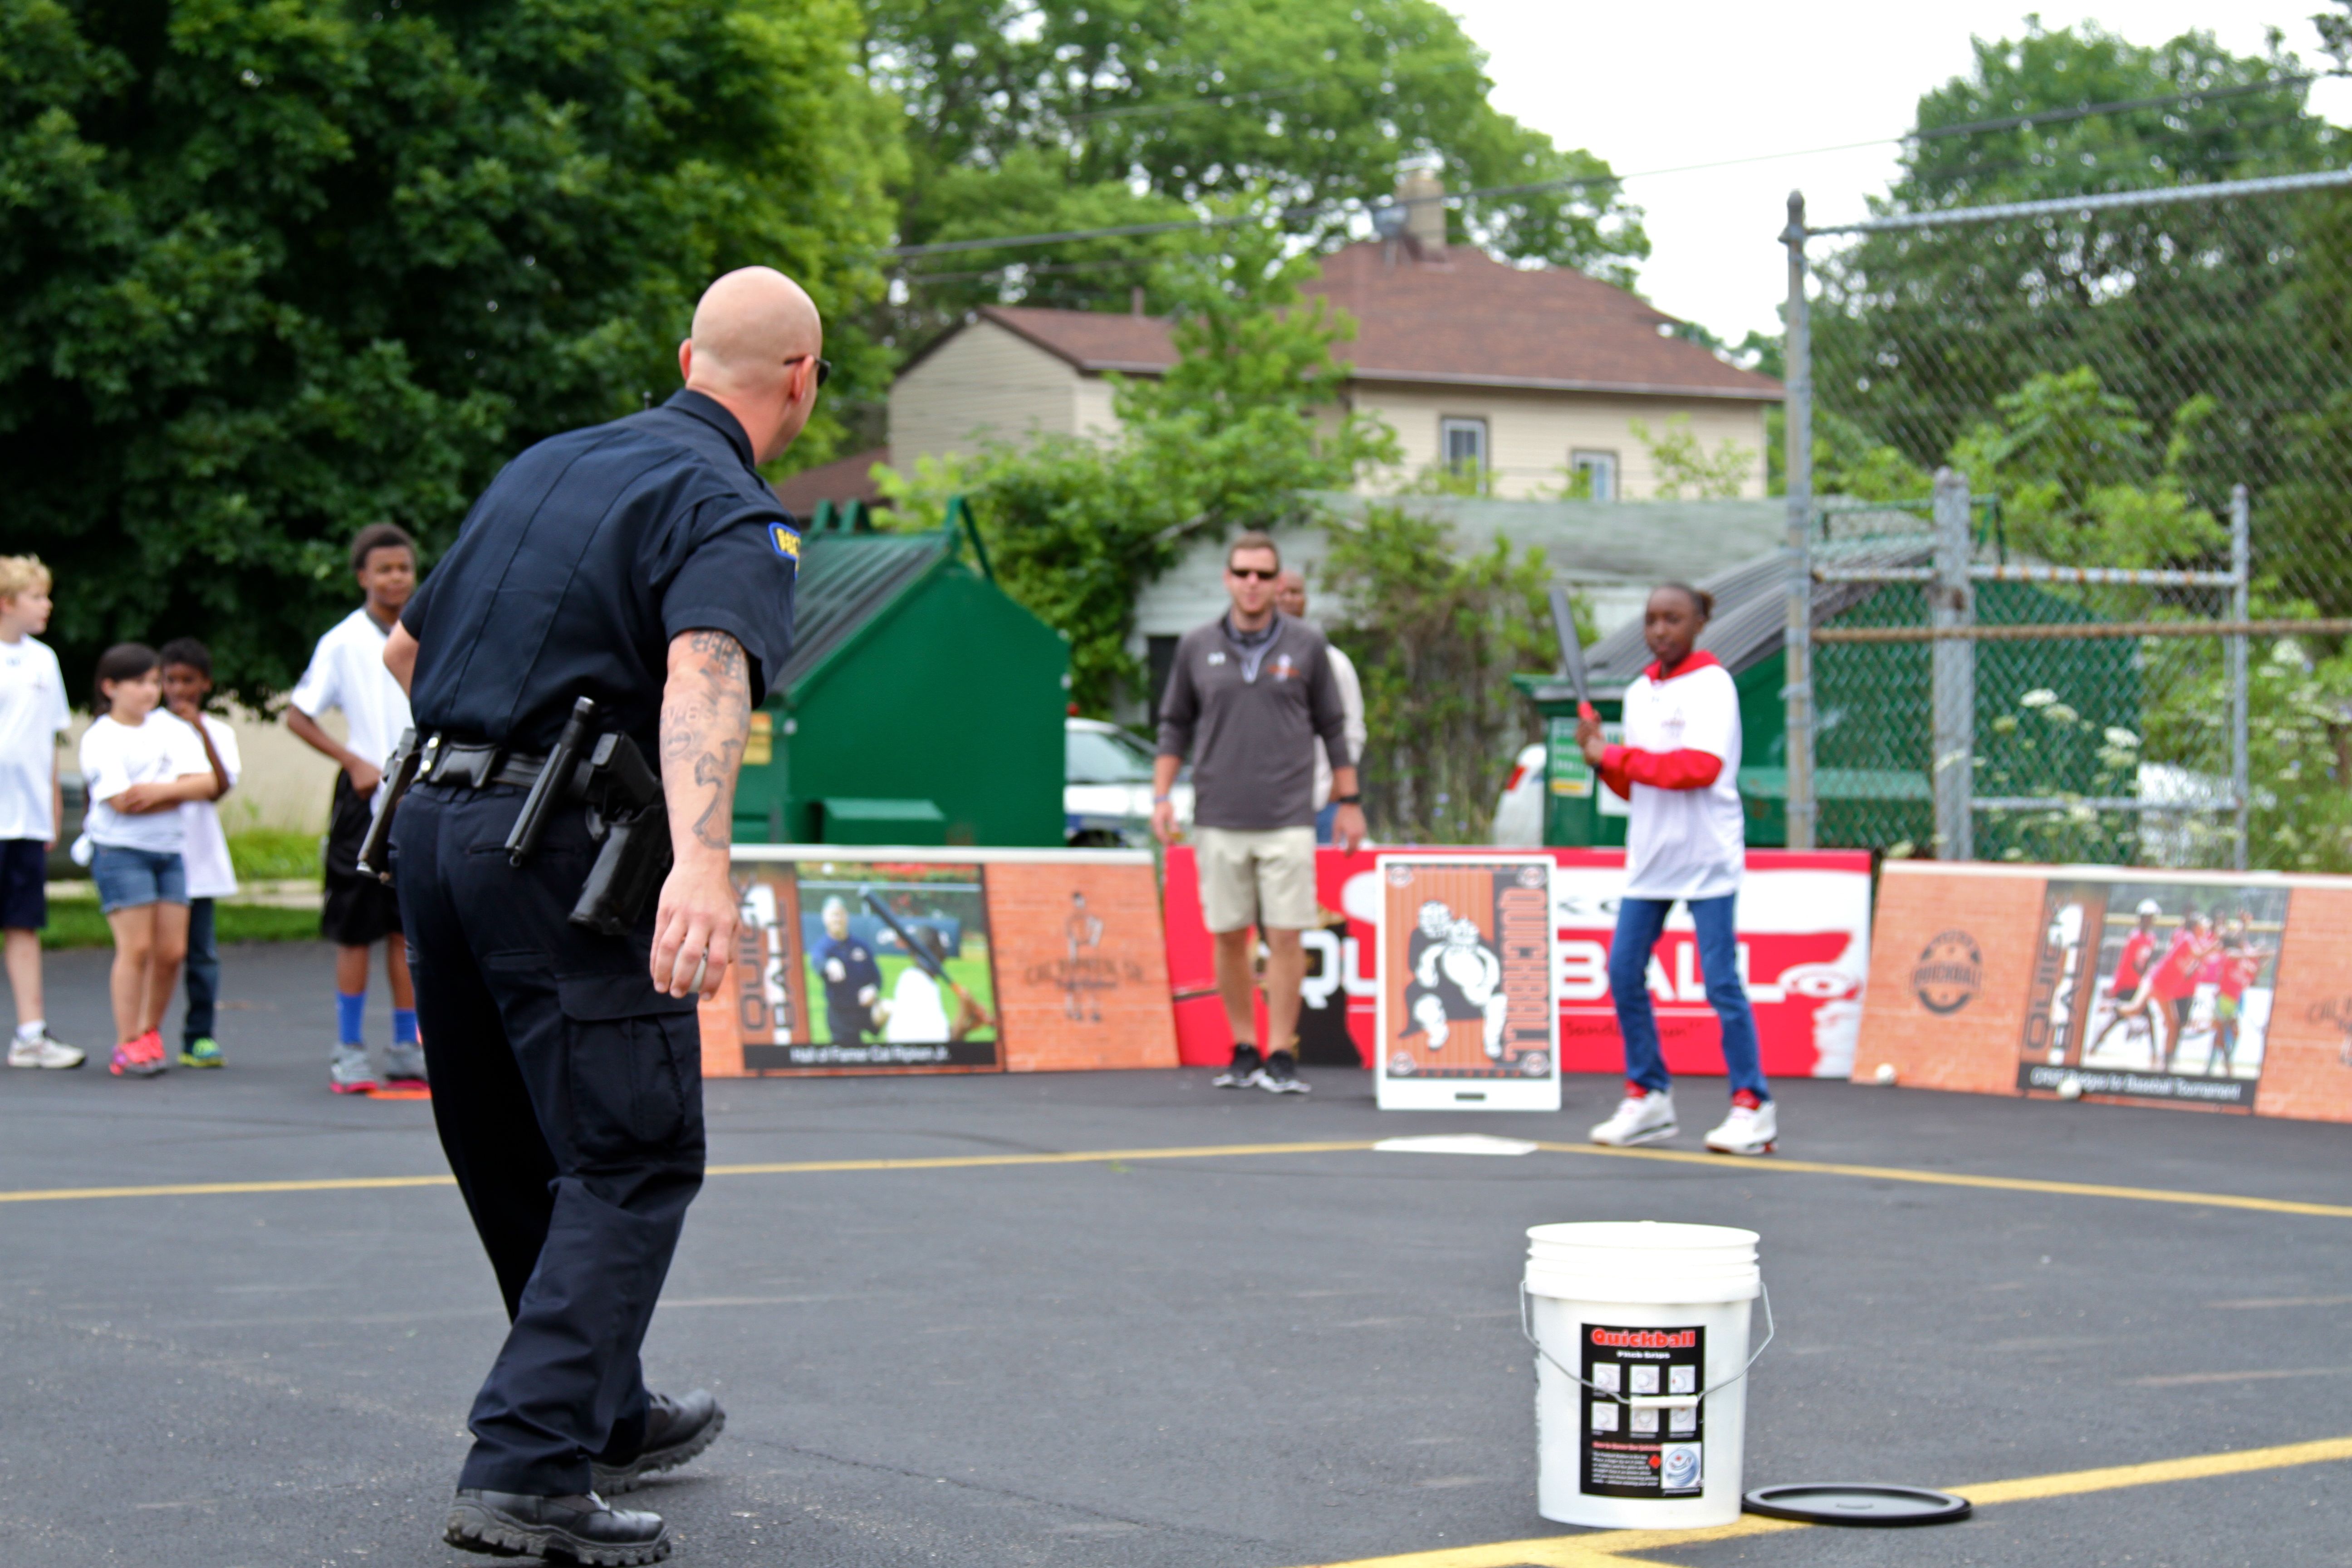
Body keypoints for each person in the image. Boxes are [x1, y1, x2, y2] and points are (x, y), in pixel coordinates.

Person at [384, 265, 813, 1562]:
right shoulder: (733, 507)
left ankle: (602, 1410)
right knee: (631, 1154)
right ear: (801, 379)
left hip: (434, 824)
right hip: (558, 849)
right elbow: (704, 667)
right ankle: (526, 1468)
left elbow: (412, 652)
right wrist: (700, 856)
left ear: (689, 355)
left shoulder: (545, 466)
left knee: (515, 1148)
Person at [1154, 532, 1365, 1095]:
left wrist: (1350, 802)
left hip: (1289, 816)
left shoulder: (1307, 645)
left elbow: (1334, 727)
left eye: (1263, 575)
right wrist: (1161, 796)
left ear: (1278, 584)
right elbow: (1174, 724)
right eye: (1243, 573)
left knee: (1288, 937)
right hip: (1219, 815)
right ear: (1228, 579)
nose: (1252, 584)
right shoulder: (1197, 646)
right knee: (1228, 936)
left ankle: (1281, 1053)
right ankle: (1244, 1046)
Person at [1580, 583, 1774, 1156]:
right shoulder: (1639, 691)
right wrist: (1600, 756)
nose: (1660, 630)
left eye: (1673, 619)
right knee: (1622, 974)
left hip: (1707, 858)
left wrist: (1614, 755)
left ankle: (1753, 1105)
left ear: (1698, 624)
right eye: (1652, 620)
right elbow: (1634, 781)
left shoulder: (1714, 685)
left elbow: (1699, 767)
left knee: (1720, 983)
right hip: (1652, 859)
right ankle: (1649, 1096)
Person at [288, 524, 422, 1093]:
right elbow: (299, 714)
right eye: (384, 569)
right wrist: (353, 761)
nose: (396, 578)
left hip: (418, 791)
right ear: (363, 577)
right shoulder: (343, 641)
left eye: (404, 568)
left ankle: (406, 1045)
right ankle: (348, 1047)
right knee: (354, 929)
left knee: (406, 930)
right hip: (366, 798)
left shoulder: (427, 630)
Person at [78, 644, 227, 1078]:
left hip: (169, 852)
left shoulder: (172, 730)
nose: (151, 691)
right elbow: (124, 802)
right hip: (121, 852)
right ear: (111, 687)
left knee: (171, 951)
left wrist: (160, 792)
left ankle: (148, 1033)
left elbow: (207, 783)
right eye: (139, 683)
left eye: (153, 682)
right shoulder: (101, 736)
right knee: (137, 947)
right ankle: (126, 1042)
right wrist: (177, 788)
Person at [0, 556, 82, 1069]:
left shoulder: (44, 661)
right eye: (36, 596)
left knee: (23, 925)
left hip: (25, 818)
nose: (47, 604)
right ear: (7, 602)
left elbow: (50, 743)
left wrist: (52, 808)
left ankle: (31, 1035)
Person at [159, 640, 239, 1068]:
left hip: (199, 862)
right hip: (156, 856)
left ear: (205, 685)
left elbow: (220, 786)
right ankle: (145, 1032)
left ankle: (199, 1036)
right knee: (155, 952)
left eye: (188, 681)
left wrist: (200, 731)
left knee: (201, 953)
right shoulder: (147, 726)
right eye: (170, 680)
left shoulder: (219, 732)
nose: (178, 690)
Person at [1275, 571, 1366, 846]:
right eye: (1283, 592)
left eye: (1297, 592)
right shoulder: (1252, 663)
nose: (1290, 599)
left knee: (1324, 886)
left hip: (1323, 801)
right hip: (1269, 808)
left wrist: (1340, 787)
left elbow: (1352, 728)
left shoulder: (1333, 661)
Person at [2088, 898, 2164, 1065]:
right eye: (2150, 917)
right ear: (2143, 918)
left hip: (2136, 985)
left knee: (2125, 1018)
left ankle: (2094, 1047)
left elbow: (2146, 961)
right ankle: (2154, 1055)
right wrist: (2146, 977)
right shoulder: (2135, 937)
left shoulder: (2151, 938)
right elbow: (2134, 964)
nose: (2152, 921)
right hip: (2127, 984)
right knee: (2125, 1017)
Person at [2146, 908, 2219, 1074]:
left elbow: (2205, 953)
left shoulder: (2194, 939)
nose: (2205, 927)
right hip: (2159, 982)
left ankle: (2166, 1062)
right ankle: (2165, 1062)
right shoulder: (2188, 937)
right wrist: (2217, 943)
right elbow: (2200, 954)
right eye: (2202, 924)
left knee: (2174, 1024)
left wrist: (2217, 943)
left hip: (2165, 986)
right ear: (2195, 926)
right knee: (2170, 1023)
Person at [810, 896, 882, 1042]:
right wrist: (829, 964)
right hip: (841, 1014)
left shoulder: (860, 945)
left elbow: (877, 977)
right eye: (833, 915)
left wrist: (873, 989)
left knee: (889, 1008)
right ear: (825, 918)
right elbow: (817, 962)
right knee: (847, 1053)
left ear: (847, 917)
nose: (838, 919)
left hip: (865, 1010)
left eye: (841, 914)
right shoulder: (823, 947)